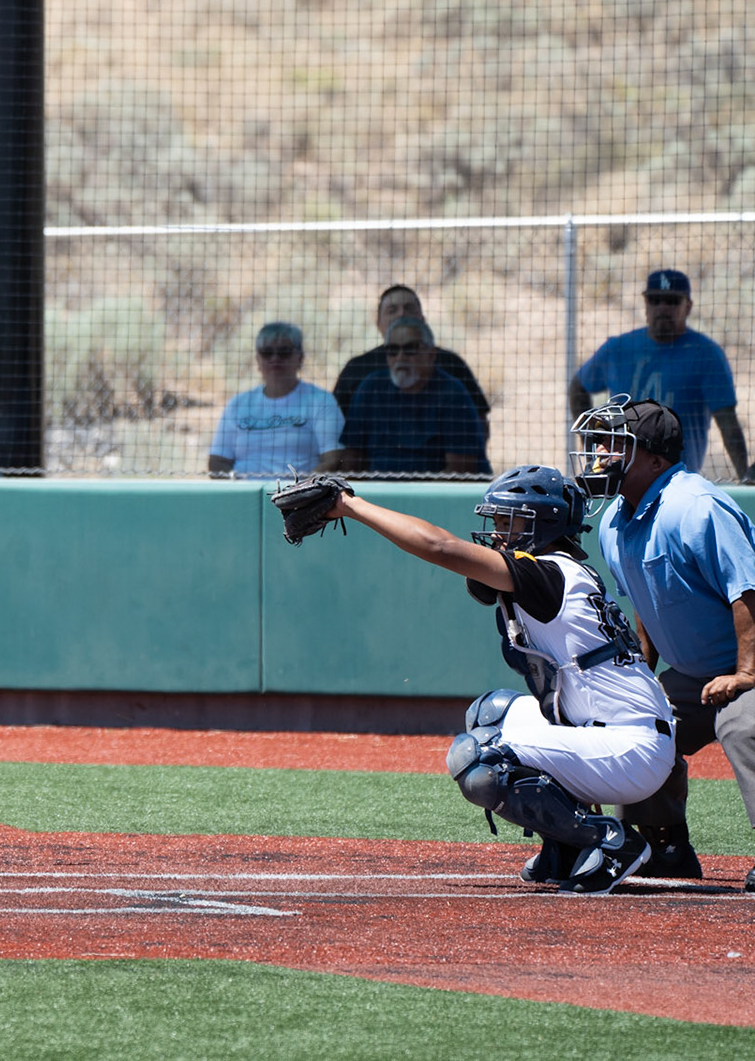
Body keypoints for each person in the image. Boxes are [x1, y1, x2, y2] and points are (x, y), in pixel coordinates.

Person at [320, 466, 675, 893]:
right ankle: (566, 845)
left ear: (543, 524)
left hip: (630, 748)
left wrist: (351, 506)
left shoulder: (547, 574)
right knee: (490, 713)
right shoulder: (555, 571)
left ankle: (609, 841)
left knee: (479, 760)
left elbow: (439, 546)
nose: (498, 533)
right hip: (610, 730)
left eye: (511, 521)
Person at [573, 396, 755, 885]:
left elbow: (748, 591)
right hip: (696, 673)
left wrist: (746, 675)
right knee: (638, 726)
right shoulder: (614, 520)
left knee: (744, 726)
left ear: (655, 461)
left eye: (614, 445)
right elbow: (644, 601)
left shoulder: (695, 506)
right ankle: (665, 846)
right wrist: (639, 678)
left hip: (751, 665)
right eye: (599, 444)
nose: (599, 455)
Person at [570, 269, 747, 481]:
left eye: (672, 301)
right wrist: (592, 443)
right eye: (655, 300)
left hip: (679, 481)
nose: (662, 307)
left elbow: (727, 423)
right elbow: (578, 387)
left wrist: (744, 476)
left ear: (688, 306)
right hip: (620, 479)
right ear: (646, 304)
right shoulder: (618, 349)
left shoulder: (706, 355)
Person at [334, 285, 491, 439]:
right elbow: (334, 428)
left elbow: (480, 422)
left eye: (409, 308)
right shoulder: (357, 369)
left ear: (422, 319)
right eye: (392, 310)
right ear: (378, 324)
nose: (402, 314)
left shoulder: (451, 363)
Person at [337, 316, 487, 475]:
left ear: (431, 354)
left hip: (433, 489)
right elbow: (352, 461)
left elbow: (459, 472)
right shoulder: (370, 389)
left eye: (410, 349)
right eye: (392, 350)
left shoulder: (453, 395)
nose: (400, 357)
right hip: (376, 488)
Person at [207, 321, 344, 477]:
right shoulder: (238, 404)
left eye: (284, 352)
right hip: (245, 490)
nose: (275, 358)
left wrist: (300, 488)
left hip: (300, 490)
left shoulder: (321, 401)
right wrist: (239, 486)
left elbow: (333, 460)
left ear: (300, 358)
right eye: (267, 352)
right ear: (257, 359)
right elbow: (217, 462)